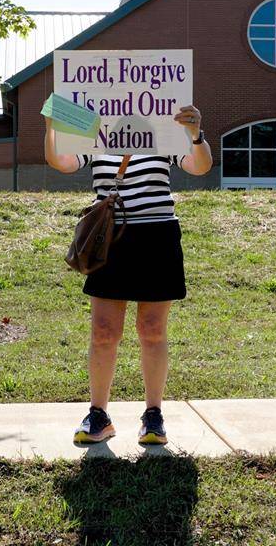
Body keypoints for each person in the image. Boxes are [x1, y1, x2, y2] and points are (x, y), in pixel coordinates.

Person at [46, 105, 212, 445]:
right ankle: (98, 414)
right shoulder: (96, 134)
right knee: (104, 331)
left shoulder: (165, 133)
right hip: (110, 239)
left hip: (157, 238)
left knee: (152, 330)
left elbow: (200, 166)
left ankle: (154, 415)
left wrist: (195, 134)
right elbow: (61, 162)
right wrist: (51, 126)